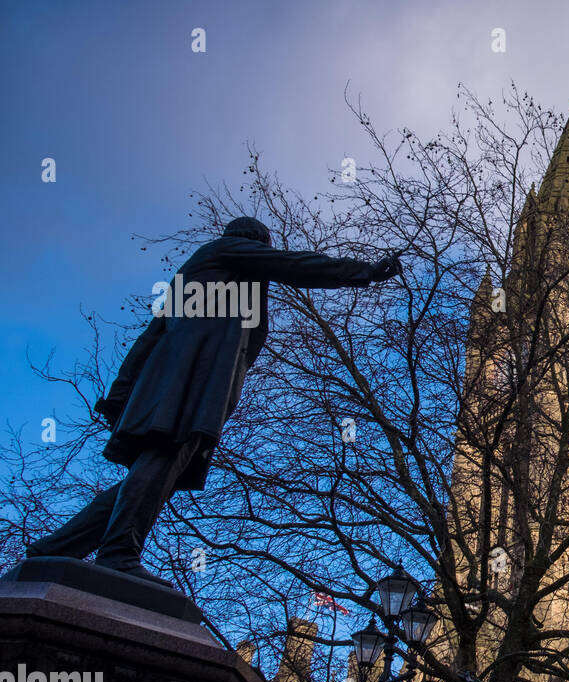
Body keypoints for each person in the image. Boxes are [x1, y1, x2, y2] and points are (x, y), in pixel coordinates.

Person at [26, 216, 402, 584]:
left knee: (157, 473)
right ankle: (119, 553)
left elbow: (148, 339)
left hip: (178, 386)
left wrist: (120, 394)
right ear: (254, 244)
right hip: (192, 384)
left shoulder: (200, 280)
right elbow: (294, 265)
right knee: (163, 459)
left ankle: (58, 547)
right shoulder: (227, 251)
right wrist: (364, 271)